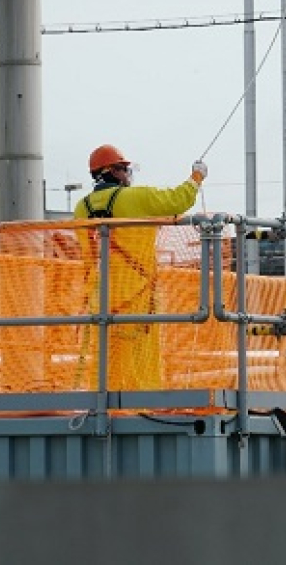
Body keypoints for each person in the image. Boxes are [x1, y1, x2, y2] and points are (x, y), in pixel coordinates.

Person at [73, 143, 207, 389]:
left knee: (104, 365)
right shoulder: (135, 198)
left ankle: (104, 411)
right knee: (141, 363)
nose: (127, 175)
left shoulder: (82, 207)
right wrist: (196, 177)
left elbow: (88, 253)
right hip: (137, 296)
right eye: (124, 170)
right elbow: (177, 200)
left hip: (100, 296)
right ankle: (141, 413)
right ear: (113, 171)